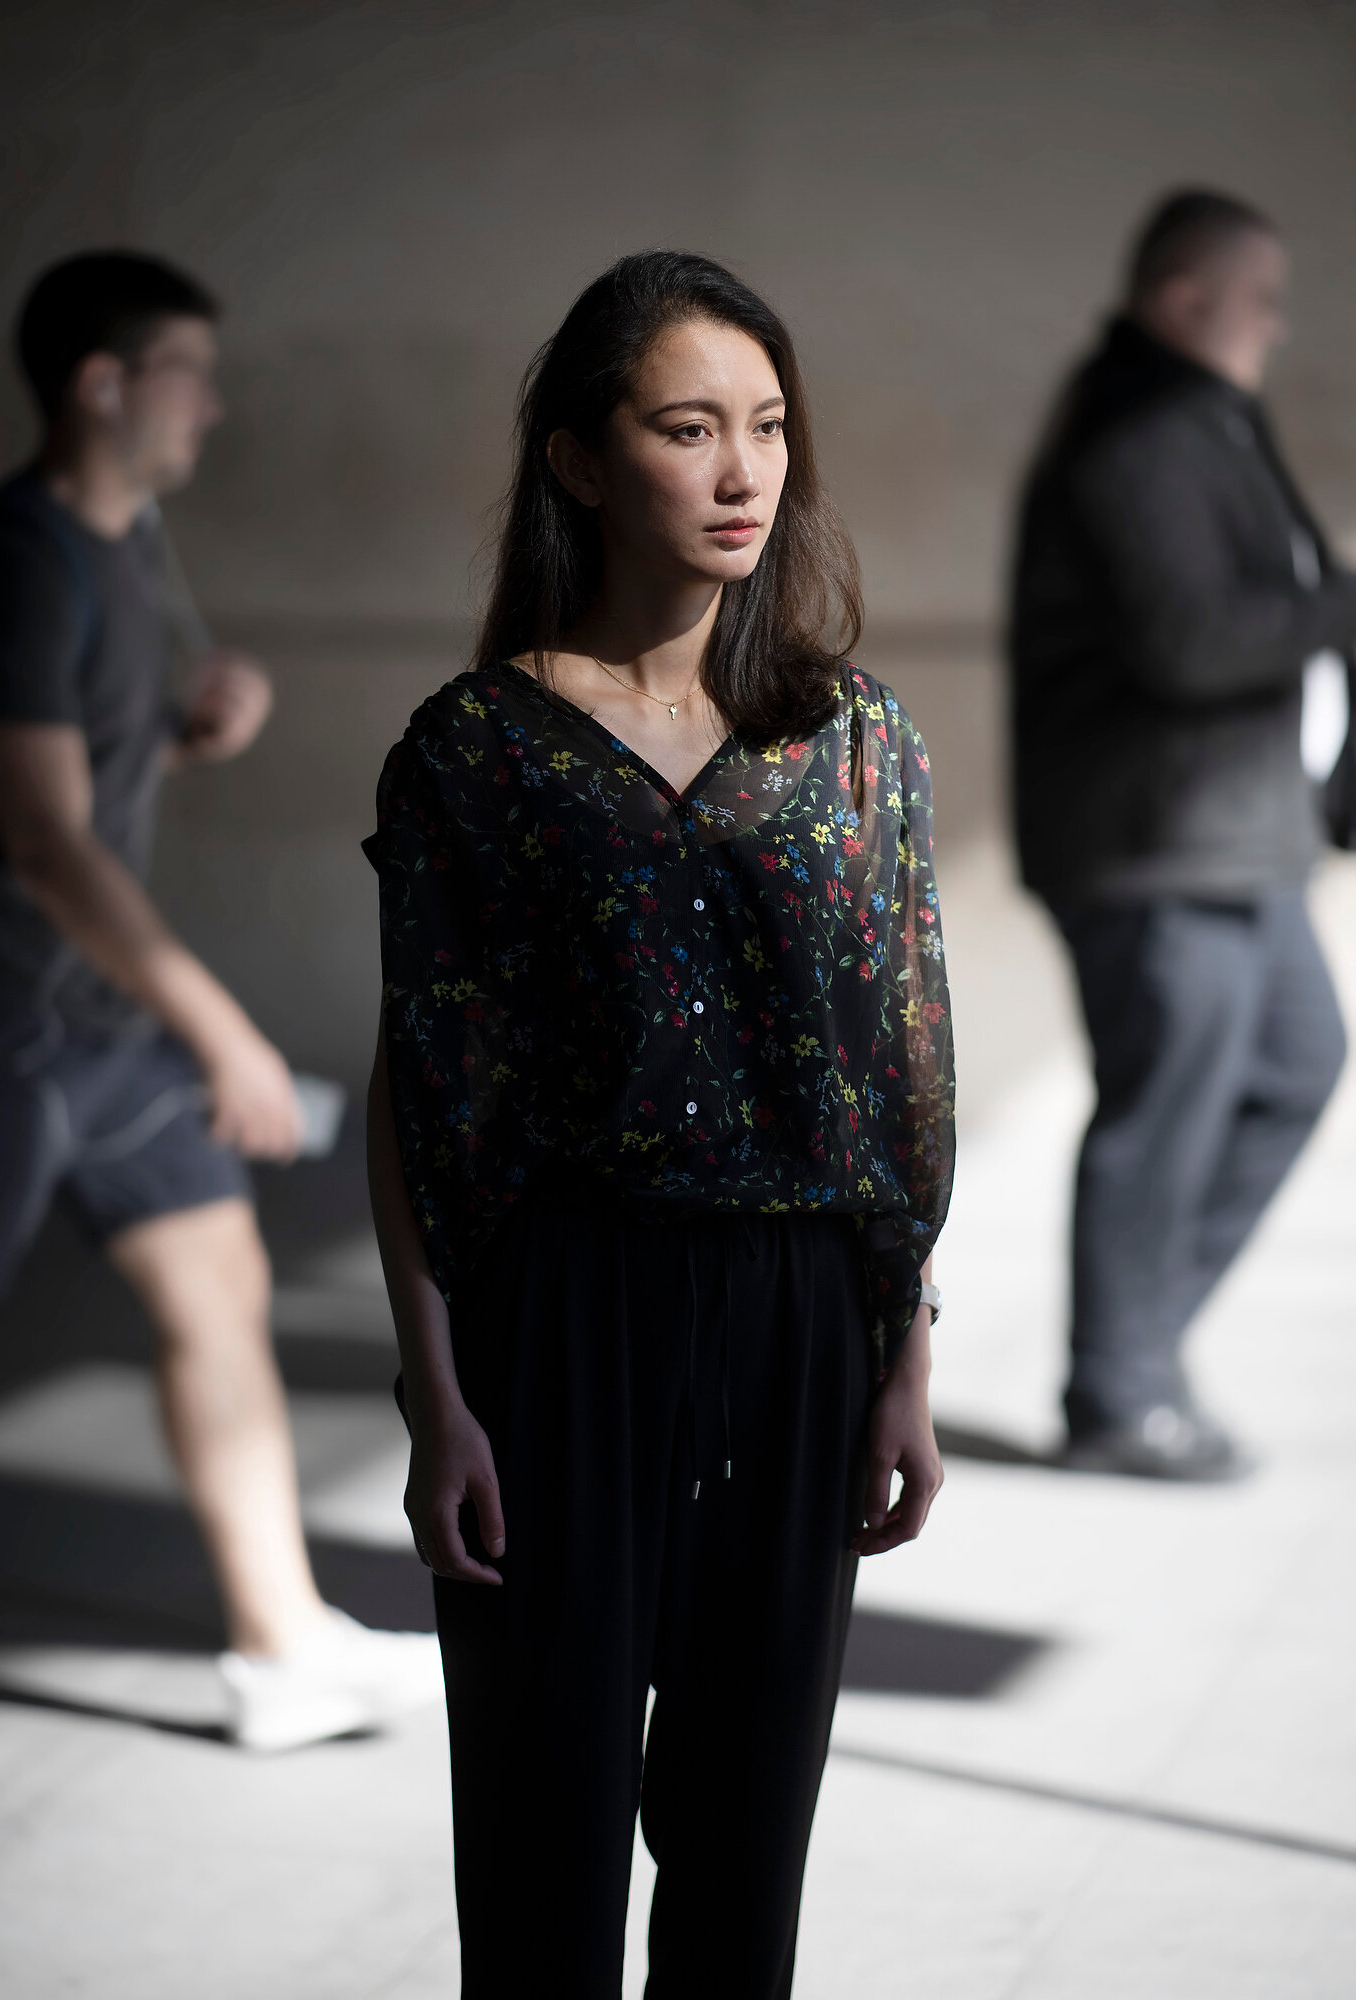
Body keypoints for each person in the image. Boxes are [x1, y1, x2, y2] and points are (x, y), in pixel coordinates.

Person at [365, 250, 956, 1998]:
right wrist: (436, 1390)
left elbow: (903, 1063)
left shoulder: (852, 739)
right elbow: (417, 1081)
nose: (738, 472)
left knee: (742, 1855)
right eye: (686, 427)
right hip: (560, 1323)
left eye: (767, 427)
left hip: (793, 1328)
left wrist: (900, 1355)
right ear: (577, 459)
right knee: (540, 1860)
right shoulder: (475, 748)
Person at [0, 250, 443, 1754]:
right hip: (1, 1029)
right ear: (103, 383)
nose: (215, 404)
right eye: (189, 370)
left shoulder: (125, 549)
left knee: (216, 1285)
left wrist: (179, 740)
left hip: (88, 1026)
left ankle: (280, 1643)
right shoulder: (19, 560)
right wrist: (223, 1029)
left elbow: (54, 789)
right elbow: (40, 844)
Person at [1011, 190, 1352, 1480]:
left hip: (1234, 841)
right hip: (1161, 847)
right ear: (1184, 297)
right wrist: (1345, 602)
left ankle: (1137, 1350)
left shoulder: (1201, 418)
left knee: (1296, 1066)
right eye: (1258, 295)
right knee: (1164, 1108)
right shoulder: (1140, 429)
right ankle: (1117, 1392)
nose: (1277, 321)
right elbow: (1196, 641)